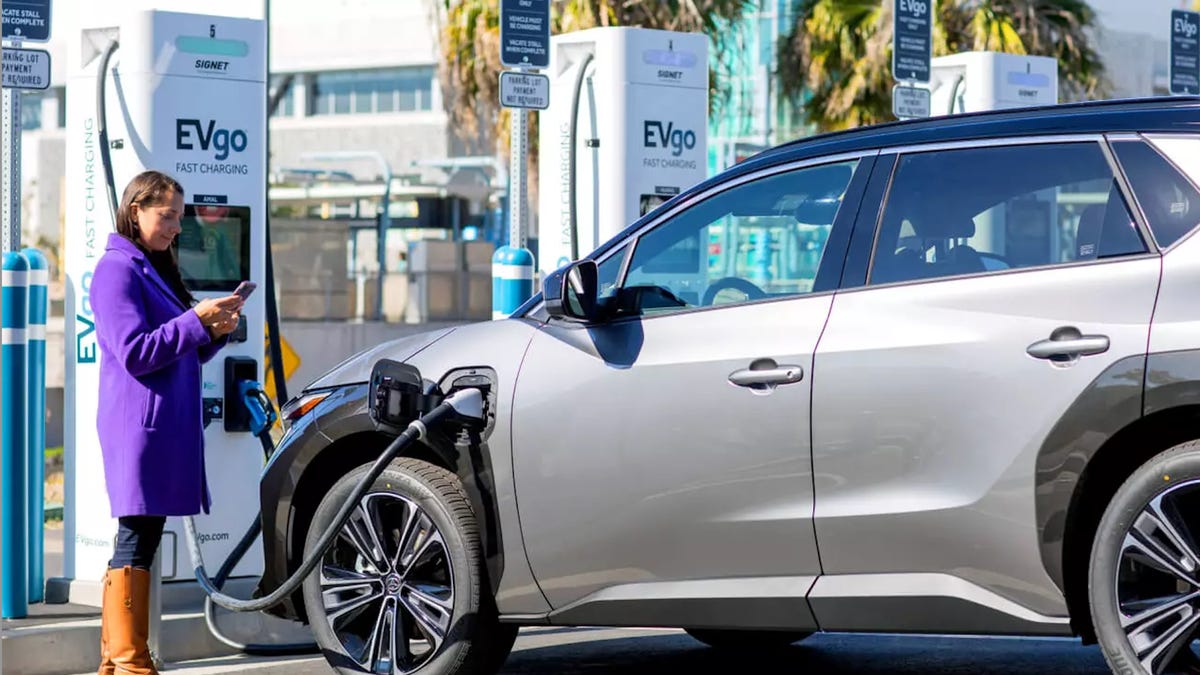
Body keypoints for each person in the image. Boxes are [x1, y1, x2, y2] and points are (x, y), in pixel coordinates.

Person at [90, 170, 244, 675]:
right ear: (136, 209)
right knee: (136, 536)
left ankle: (119, 661)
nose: (178, 226)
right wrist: (194, 321)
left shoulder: (152, 267)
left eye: (181, 216)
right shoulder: (117, 270)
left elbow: (180, 352)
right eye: (168, 215)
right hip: (140, 427)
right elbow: (135, 353)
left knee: (142, 537)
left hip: (160, 426)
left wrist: (214, 329)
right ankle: (130, 662)